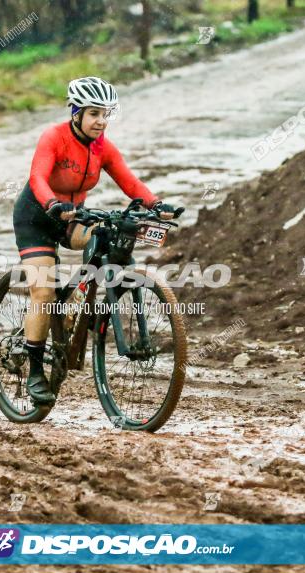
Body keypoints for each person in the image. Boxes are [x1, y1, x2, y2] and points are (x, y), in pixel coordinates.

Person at [12, 76, 181, 405]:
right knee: (43, 291)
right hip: (37, 217)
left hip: (72, 217)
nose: (101, 121)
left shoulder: (104, 148)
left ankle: (78, 307)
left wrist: (156, 204)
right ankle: (34, 370)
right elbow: (37, 177)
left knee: (108, 236)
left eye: (105, 114)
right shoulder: (54, 137)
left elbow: (129, 181)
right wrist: (52, 204)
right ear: (75, 113)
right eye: (93, 113)